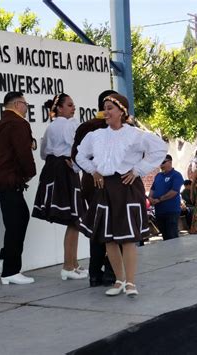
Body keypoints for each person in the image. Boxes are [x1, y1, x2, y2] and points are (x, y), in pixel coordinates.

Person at [76, 93, 167, 297]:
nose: (106, 111)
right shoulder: (96, 135)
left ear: (121, 112)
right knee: (109, 238)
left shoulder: (135, 135)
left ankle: (131, 282)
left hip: (126, 187)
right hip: (104, 187)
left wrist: (137, 170)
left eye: (110, 108)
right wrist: (94, 171)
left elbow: (160, 149)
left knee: (127, 238)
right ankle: (119, 280)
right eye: (104, 108)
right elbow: (80, 155)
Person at [32, 93, 87, 281]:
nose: (73, 108)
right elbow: (77, 148)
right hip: (65, 170)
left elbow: (43, 153)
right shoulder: (68, 124)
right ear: (60, 108)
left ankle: (72, 263)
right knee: (74, 219)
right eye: (70, 105)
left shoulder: (51, 127)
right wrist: (79, 166)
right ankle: (68, 266)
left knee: (75, 219)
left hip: (53, 170)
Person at [0, 91, 37, 285]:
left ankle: (5, 260)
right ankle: (11, 270)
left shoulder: (2, 123)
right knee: (16, 222)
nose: (27, 108)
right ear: (17, 104)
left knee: (17, 219)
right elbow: (22, 152)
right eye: (25, 104)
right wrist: (30, 172)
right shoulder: (18, 123)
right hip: (8, 179)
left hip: (0, 179)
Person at [71, 89, 117, 287]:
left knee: (97, 227)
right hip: (113, 186)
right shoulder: (115, 127)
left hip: (90, 185)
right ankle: (111, 270)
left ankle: (94, 273)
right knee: (115, 229)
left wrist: (91, 172)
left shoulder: (85, 126)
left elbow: (75, 156)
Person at [149, 154, 184, 240]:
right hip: (159, 211)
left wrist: (159, 199)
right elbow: (153, 189)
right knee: (165, 236)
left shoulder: (176, 175)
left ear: (170, 162)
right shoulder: (158, 176)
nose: (161, 164)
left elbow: (174, 192)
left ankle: (175, 252)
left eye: (163, 162)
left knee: (172, 235)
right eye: (160, 162)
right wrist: (150, 198)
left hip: (171, 211)